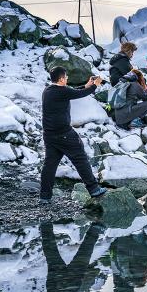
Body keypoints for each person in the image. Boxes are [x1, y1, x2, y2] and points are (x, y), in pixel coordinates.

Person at [40, 67, 107, 203]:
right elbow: (79, 94)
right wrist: (95, 85)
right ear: (61, 79)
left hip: (49, 135)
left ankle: (45, 196)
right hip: (64, 134)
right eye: (66, 77)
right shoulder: (62, 91)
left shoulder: (48, 90)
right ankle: (94, 189)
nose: (67, 79)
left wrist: (87, 85)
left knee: (49, 165)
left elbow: (72, 92)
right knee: (80, 159)